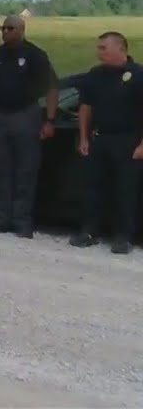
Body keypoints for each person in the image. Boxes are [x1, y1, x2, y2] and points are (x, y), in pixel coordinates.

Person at [0, 14, 57, 238]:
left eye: (10, 28)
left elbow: (52, 88)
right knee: (1, 170)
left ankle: (22, 220)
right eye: (3, 28)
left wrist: (49, 120)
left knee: (26, 170)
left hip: (26, 116)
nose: (5, 32)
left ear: (22, 29)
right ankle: (3, 218)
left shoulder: (35, 55)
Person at [71, 32, 143, 254]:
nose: (99, 52)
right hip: (99, 138)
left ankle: (124, 236)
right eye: (99, 48)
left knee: (125, 190)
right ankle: (90, 231)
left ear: (120, 49)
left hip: (128, 140)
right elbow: (85, 107)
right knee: (92, 188)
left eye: (104, 48)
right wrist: (83, 137)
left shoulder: (138, 74)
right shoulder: (95, 74)